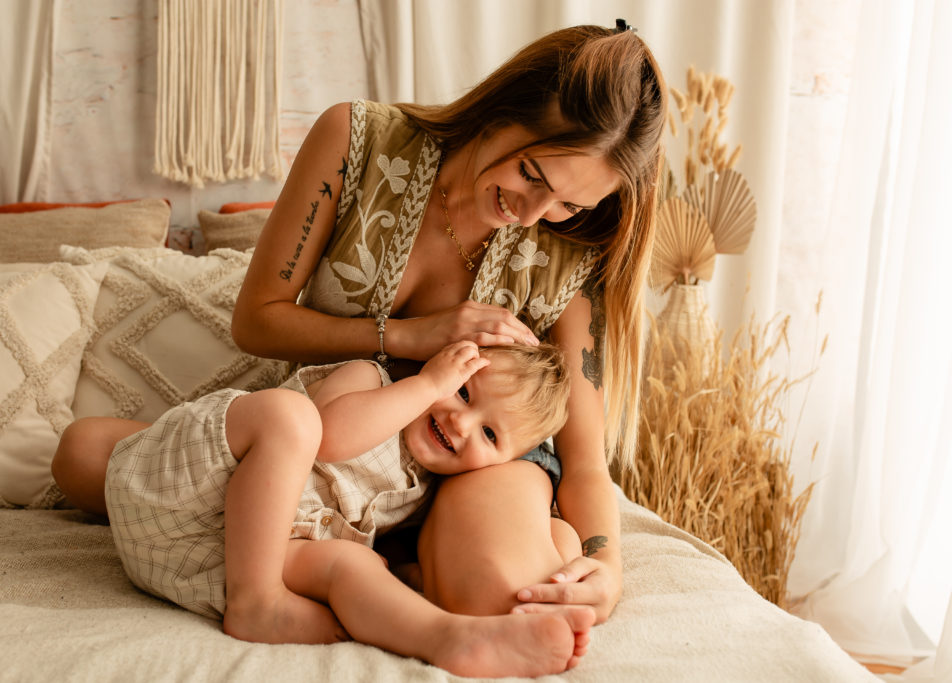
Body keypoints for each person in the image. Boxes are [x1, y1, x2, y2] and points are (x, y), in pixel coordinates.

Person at [55, 21, 665, 626]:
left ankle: (430, 566)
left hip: (475, 461)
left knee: (500, 595)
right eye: (533, 174)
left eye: (568, 204)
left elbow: (586, 458)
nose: (531, 215)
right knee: (82, 460)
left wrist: (604, 566)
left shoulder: (577, 249)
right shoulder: (357, 140)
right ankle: (357, 553)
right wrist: (404, 337)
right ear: (504, 107)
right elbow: (257, 321)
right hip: (333, 436)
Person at [54, 341, 592, 677]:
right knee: (293, 419)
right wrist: (426, 384)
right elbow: (329, 438)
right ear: (444, 362)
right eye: (464, 392)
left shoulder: (425, 490)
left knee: (352, 565)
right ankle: (257, 603)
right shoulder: (373, 380)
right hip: (190, 487)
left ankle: (453, 641)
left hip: (212, 558)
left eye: (490, 435)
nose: (460, 423)